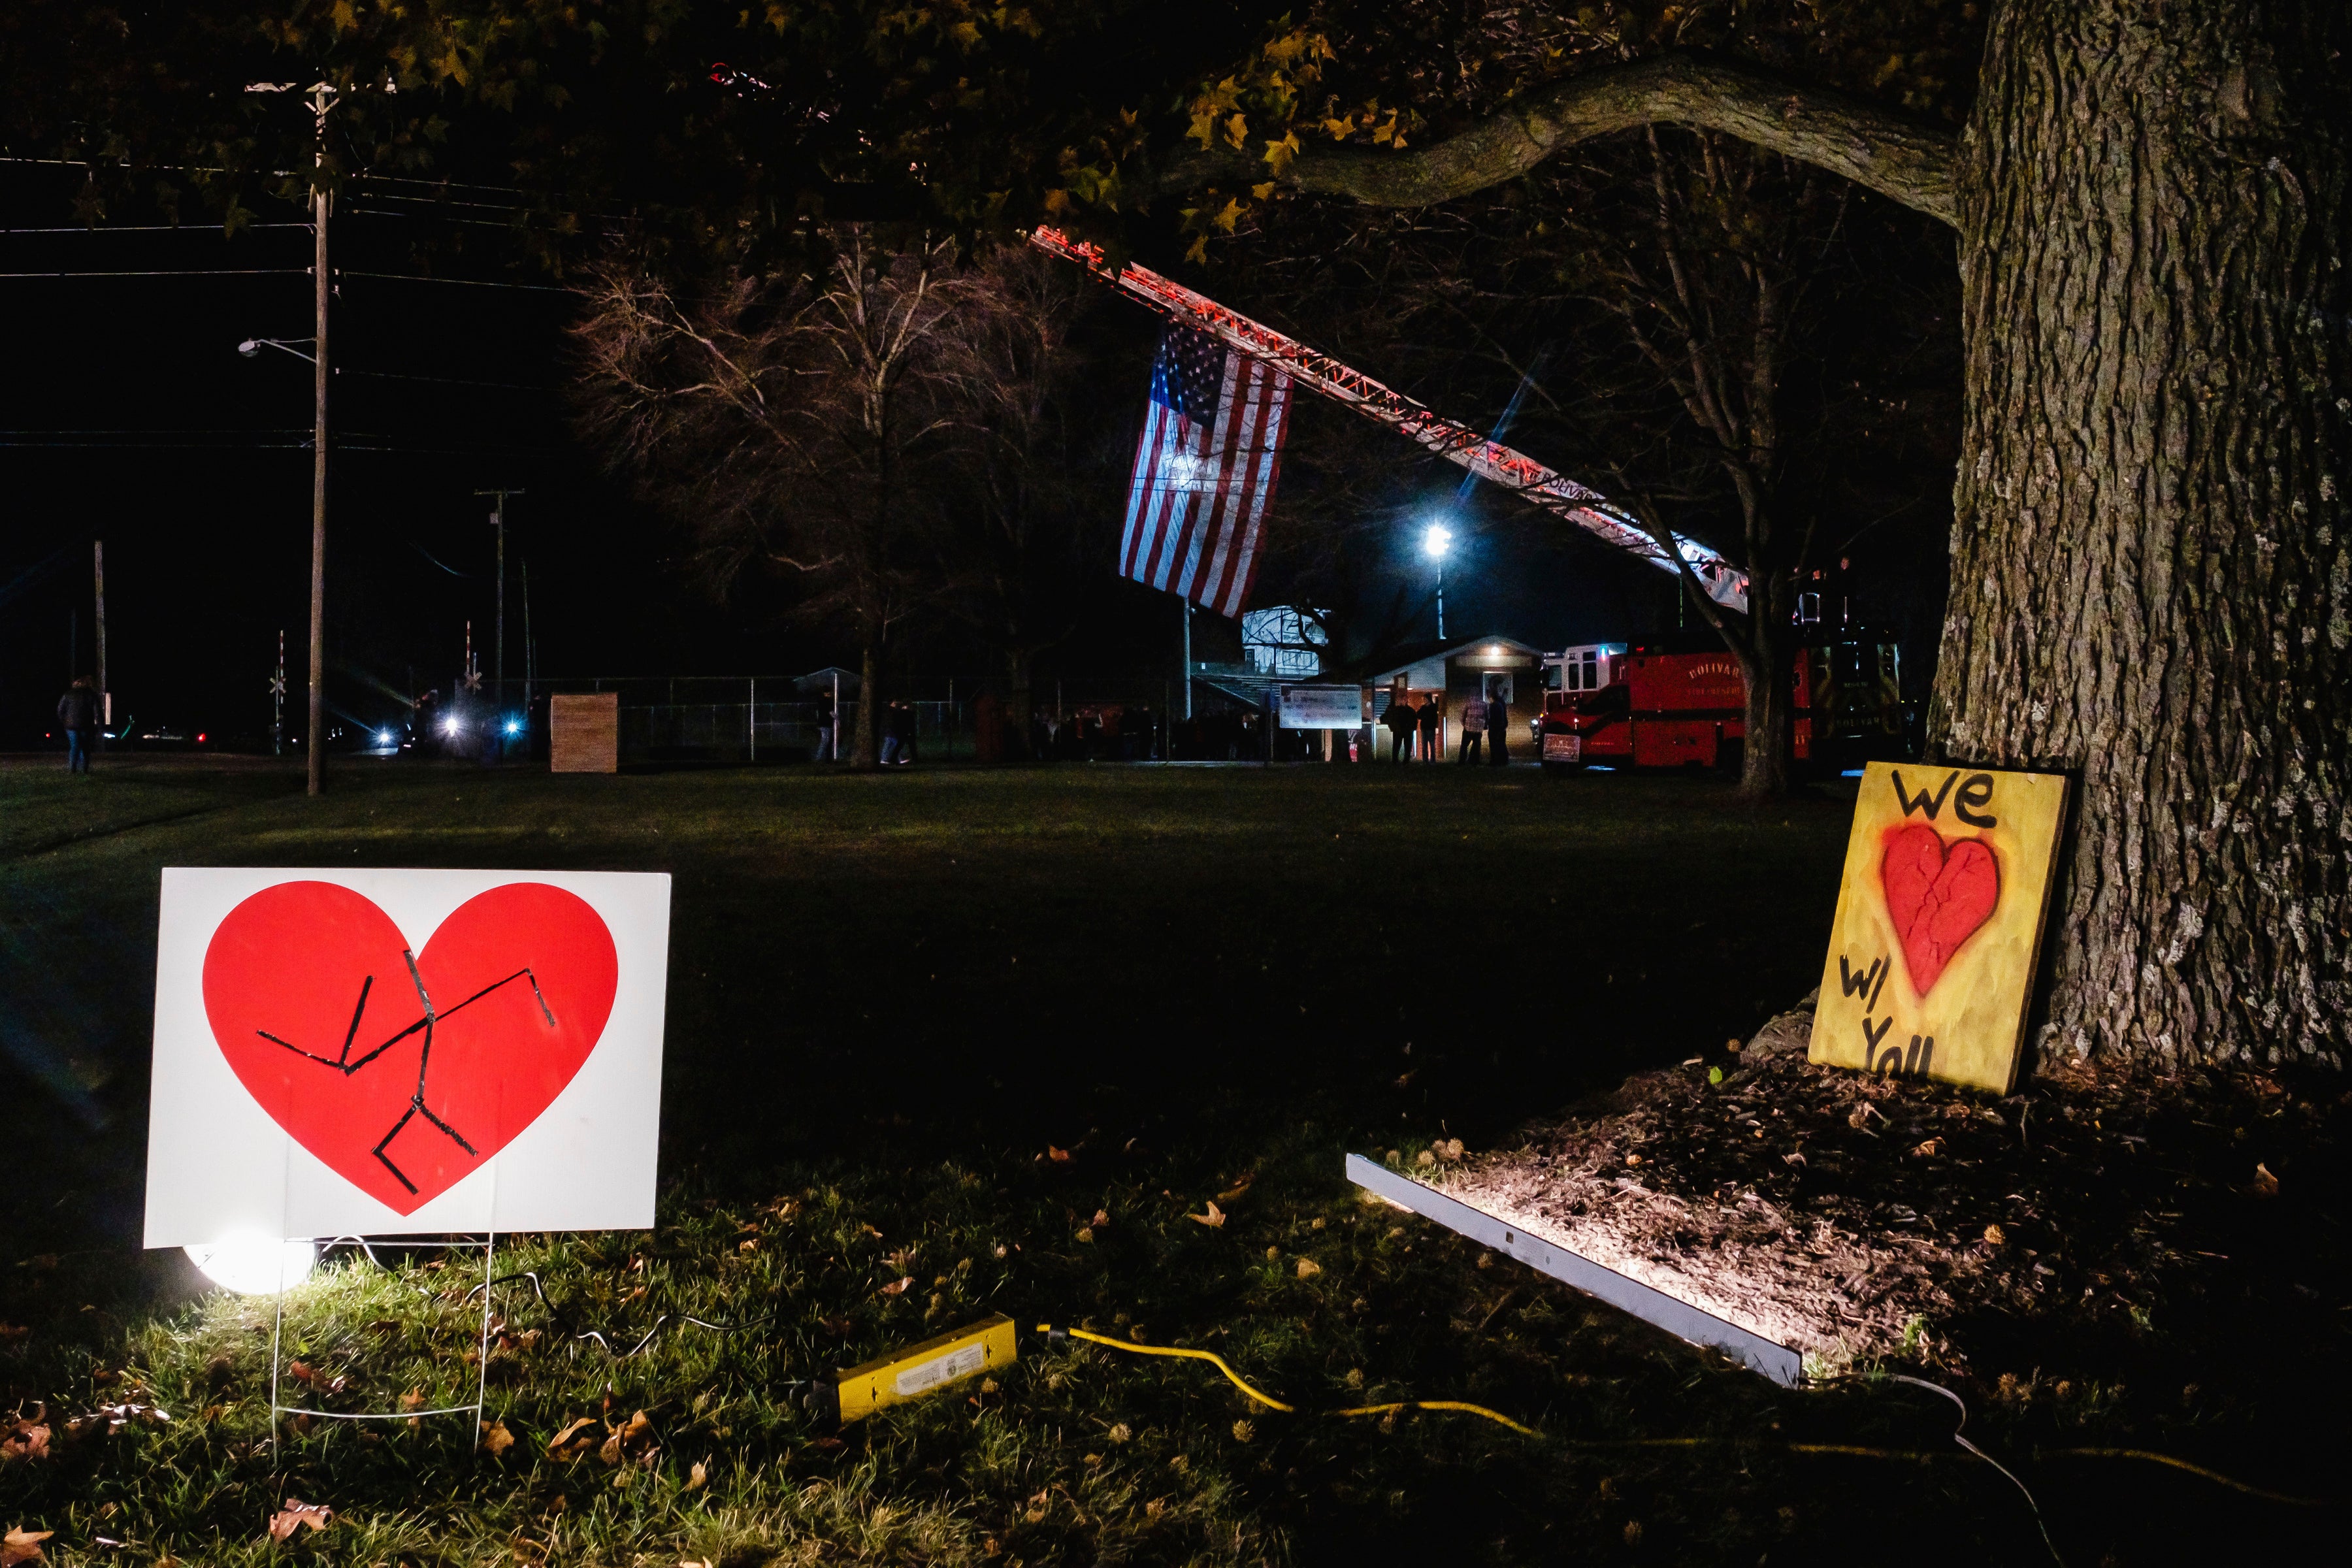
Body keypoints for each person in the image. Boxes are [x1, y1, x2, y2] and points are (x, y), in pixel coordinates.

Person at [57, 676, 101, 774]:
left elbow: (60, 710)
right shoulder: (92, 695)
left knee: (74, 746)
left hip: (71, 726)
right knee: (85, 747)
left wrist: (65, 721)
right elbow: (97, 712)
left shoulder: (68, 694)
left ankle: (73, 769)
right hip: (86, 725)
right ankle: (85, 769)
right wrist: (100, 726)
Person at [1380, 692, 1415, 762]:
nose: (1404, 701)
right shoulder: (1408, 710)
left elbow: (1414, 721)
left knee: (1401, 747)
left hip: (1402, 731)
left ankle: (1400, 761)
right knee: (1400, 746)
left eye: (1405, 699)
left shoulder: (1398, 710)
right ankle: (1400, 761)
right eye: (1403, 699)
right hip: (1402, 731)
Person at [1458, 690, 1486, 764]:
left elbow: (1462, 716)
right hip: (1479, 729)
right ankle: (1474, 761)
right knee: (1476, 746)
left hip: (1468, 727)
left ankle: (1462, 761)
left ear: (1471, 695)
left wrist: (1465, 725)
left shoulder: (1468, 703)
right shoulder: (1484, 704)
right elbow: (1487, 716)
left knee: (1464, 745)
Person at [1486, 679, 1511, 766]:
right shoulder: (1502, 702)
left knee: (1494, 745)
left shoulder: (1494, 705)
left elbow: (1493, 718)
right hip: (1502, 727)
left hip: (1495, 728)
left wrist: (1489, 724)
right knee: (1501, 744)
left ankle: (1495, 761)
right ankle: (1503, 760)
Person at [811, 683, 836, 761]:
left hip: (824, 723)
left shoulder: (821, 702)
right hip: (826, 723)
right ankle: (819, 757)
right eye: (829, 693)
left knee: (827, 740)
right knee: (825, 740)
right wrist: (837, 718)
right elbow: (831, 712)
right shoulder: (827, 702)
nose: (830, 695)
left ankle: (825, 757)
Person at [1416, 694, 1441, 762]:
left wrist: (1424, 716)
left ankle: (1431, 760)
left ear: (1428, 699)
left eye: (1425, 699)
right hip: (1425, 728)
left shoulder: (1432, 707)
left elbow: (1433, 717)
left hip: (1429, 728)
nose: (1424, 700)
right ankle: (1426, 760)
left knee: (1431, 744)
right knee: (1425, 745)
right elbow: (1418, 715)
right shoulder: (1425, 707)